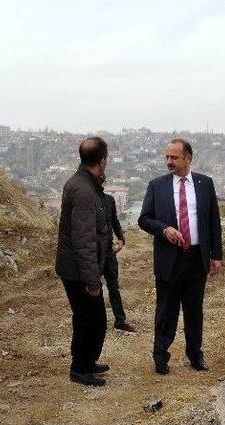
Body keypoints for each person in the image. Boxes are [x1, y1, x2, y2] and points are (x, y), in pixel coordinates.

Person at [138, 138, 222, 375]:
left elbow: (213, 221)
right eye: (167, 157)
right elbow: (144, 219)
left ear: (188, 158)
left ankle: (195, 355)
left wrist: (216, 255)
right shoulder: (157, 186)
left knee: (194, 311)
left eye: (174, 157)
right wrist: (164, 230)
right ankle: (161, 356)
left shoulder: (205, 184)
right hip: (169, 258)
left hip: (197, 258)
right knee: (166, 310)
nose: (169, 161)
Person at [56, 137, 110, 387]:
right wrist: (92, 280)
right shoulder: (83, 190)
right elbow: (84, 239)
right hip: (79, 271)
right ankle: (80, 368)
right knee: (94, 320)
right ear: (102, 161)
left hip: (76, 267)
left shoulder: (83, 184)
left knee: (85, 318)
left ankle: (85, 362)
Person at [103, 193, 137, 333]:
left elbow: (115, 222)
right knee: (91, 287)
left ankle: (120, 321)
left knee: (113, 286)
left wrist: (121, 239)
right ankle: (94, 322)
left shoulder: (109, 200)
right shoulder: (86, 200)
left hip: (108, 252)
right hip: (91, 253)